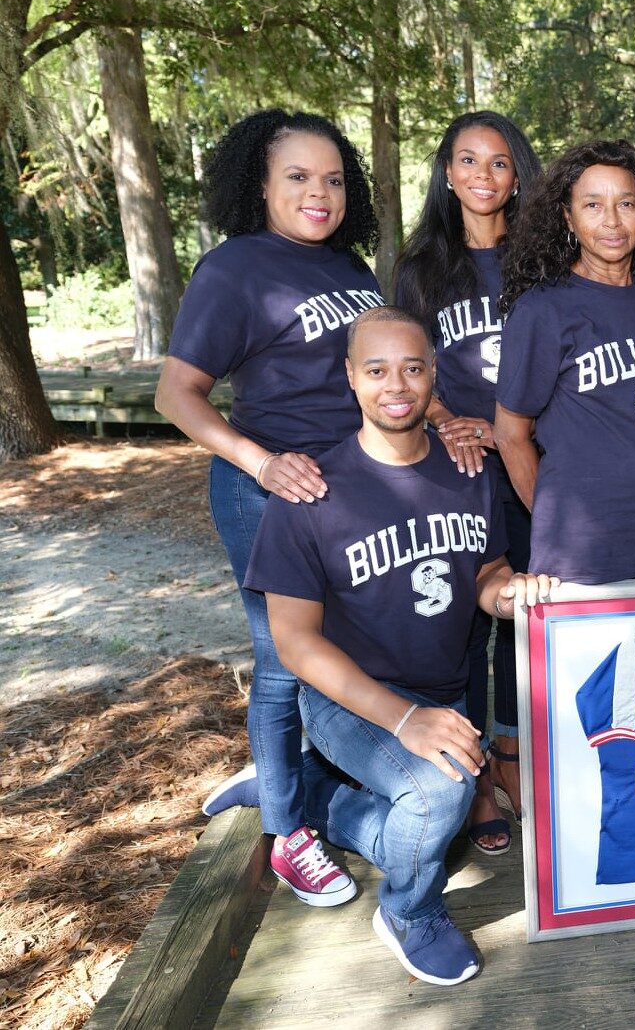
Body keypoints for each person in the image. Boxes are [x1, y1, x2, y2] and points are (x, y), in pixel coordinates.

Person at [243, 307, 555, 984]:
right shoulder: (310, 491)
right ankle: (410, 911)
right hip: (348, 700)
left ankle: (334, 805)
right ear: (350, 378)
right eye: (377, 369)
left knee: (434, 784)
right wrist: (404, 720)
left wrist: (508, 594)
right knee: (443, 789)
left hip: (440, 687)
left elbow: (484, 573)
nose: (397, 384)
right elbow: (294, 645)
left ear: (433, 374)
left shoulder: (467, 471)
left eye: (412, 368)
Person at [156, 109, 383, 905]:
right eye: (297, 177)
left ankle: (283, 774)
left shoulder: (353, 268)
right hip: (266, 492)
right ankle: (289, 833)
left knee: (336, 652)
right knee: (288, 656)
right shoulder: (235, 268)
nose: (318, 193)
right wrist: (260, 460)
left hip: (345, 496)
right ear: (261, 184)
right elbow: (175, 393)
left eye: (331, 179)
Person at [394, 111, 542, 851]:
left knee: (524, 609)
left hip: (531, 460)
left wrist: (519, 428)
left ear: (519, 175)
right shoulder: (422, 267)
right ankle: (477, 778)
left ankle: (516, 759)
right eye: (468, 161)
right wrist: (450, 418)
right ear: (446, 172)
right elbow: (410, 363)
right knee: (468, 621)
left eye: (499, 162)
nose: (483, 176)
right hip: (459, 465)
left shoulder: (540, 260)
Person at [494, 139, 635, 584]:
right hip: (580, 558)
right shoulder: (543, 310)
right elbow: (510, 433)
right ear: (568, 215)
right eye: (593, 205)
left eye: (626, 204)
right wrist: (553, 520)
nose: (612, 222)